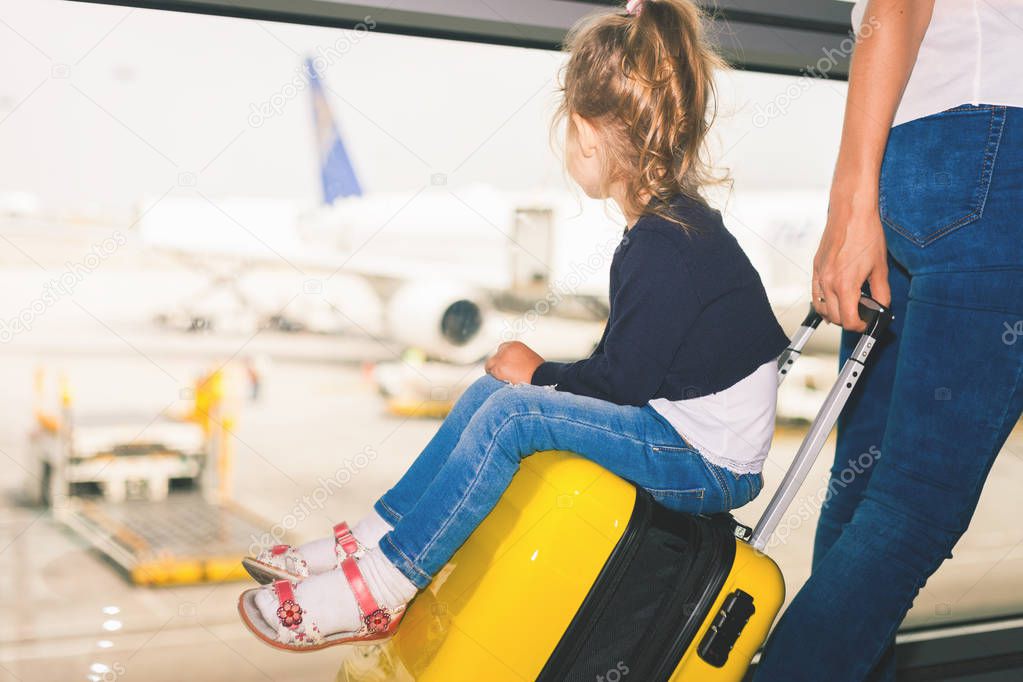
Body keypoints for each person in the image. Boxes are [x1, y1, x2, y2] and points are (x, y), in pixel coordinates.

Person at [237, 0, 789, 650]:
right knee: (491, 396)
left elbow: (623, 383)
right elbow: (635, 370)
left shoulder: (664, 243)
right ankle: (372, 542)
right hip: (684, 436)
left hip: (702, 463)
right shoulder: (672, 229)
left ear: (586, 135)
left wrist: (538, 372)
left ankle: (381, 588)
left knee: (511, 414)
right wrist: (530, 378)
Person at [755, 1, 1023, 680]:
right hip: (996, 165)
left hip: (914, 166)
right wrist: (848, 204)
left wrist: (856, 200)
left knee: (864, 493)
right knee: (912, 512)